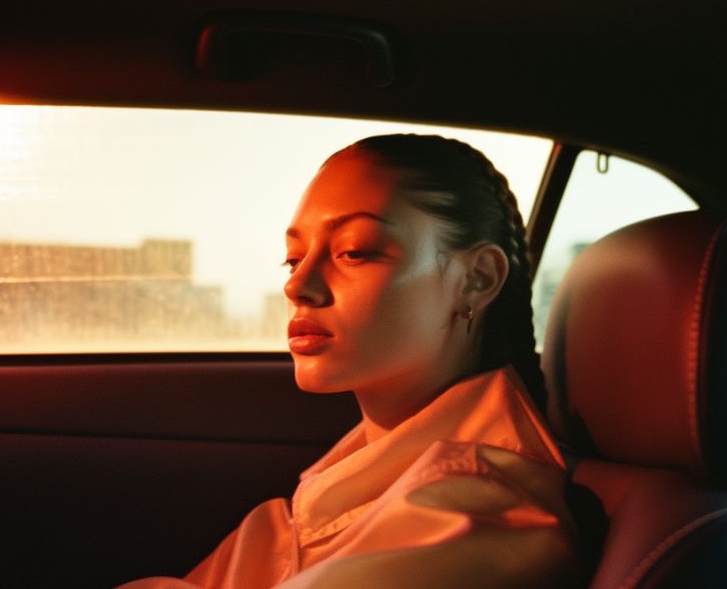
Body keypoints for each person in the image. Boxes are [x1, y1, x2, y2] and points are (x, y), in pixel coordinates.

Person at [121, 134, 579, 588]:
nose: (297, 285)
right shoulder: (329, 498)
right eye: (293, 258)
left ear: (477, 278)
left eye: (355, 251)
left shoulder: (478, 515)